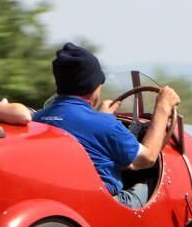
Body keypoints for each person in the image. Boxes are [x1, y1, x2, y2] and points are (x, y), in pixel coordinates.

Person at [33, 43, 180, 208]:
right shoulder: (104, 125)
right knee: (149, 182)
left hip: (57, 197)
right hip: (99, 203)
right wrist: (162, 109)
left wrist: (101, 117)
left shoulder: (38, 118)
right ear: (94, 87)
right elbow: (147, 159)